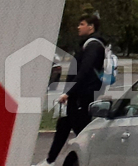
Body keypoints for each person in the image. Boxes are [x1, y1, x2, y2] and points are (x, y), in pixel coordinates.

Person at [45, 12, 105, 163]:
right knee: (63, 126)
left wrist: (68, 92)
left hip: (82, 97)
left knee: (82, 131)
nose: (78, 27)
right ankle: (50, 161)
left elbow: (85, 71)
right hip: (77, 96)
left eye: (82, 24)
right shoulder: (88, 45)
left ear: (91, 27)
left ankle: (93, 160)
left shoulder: (93, 46)